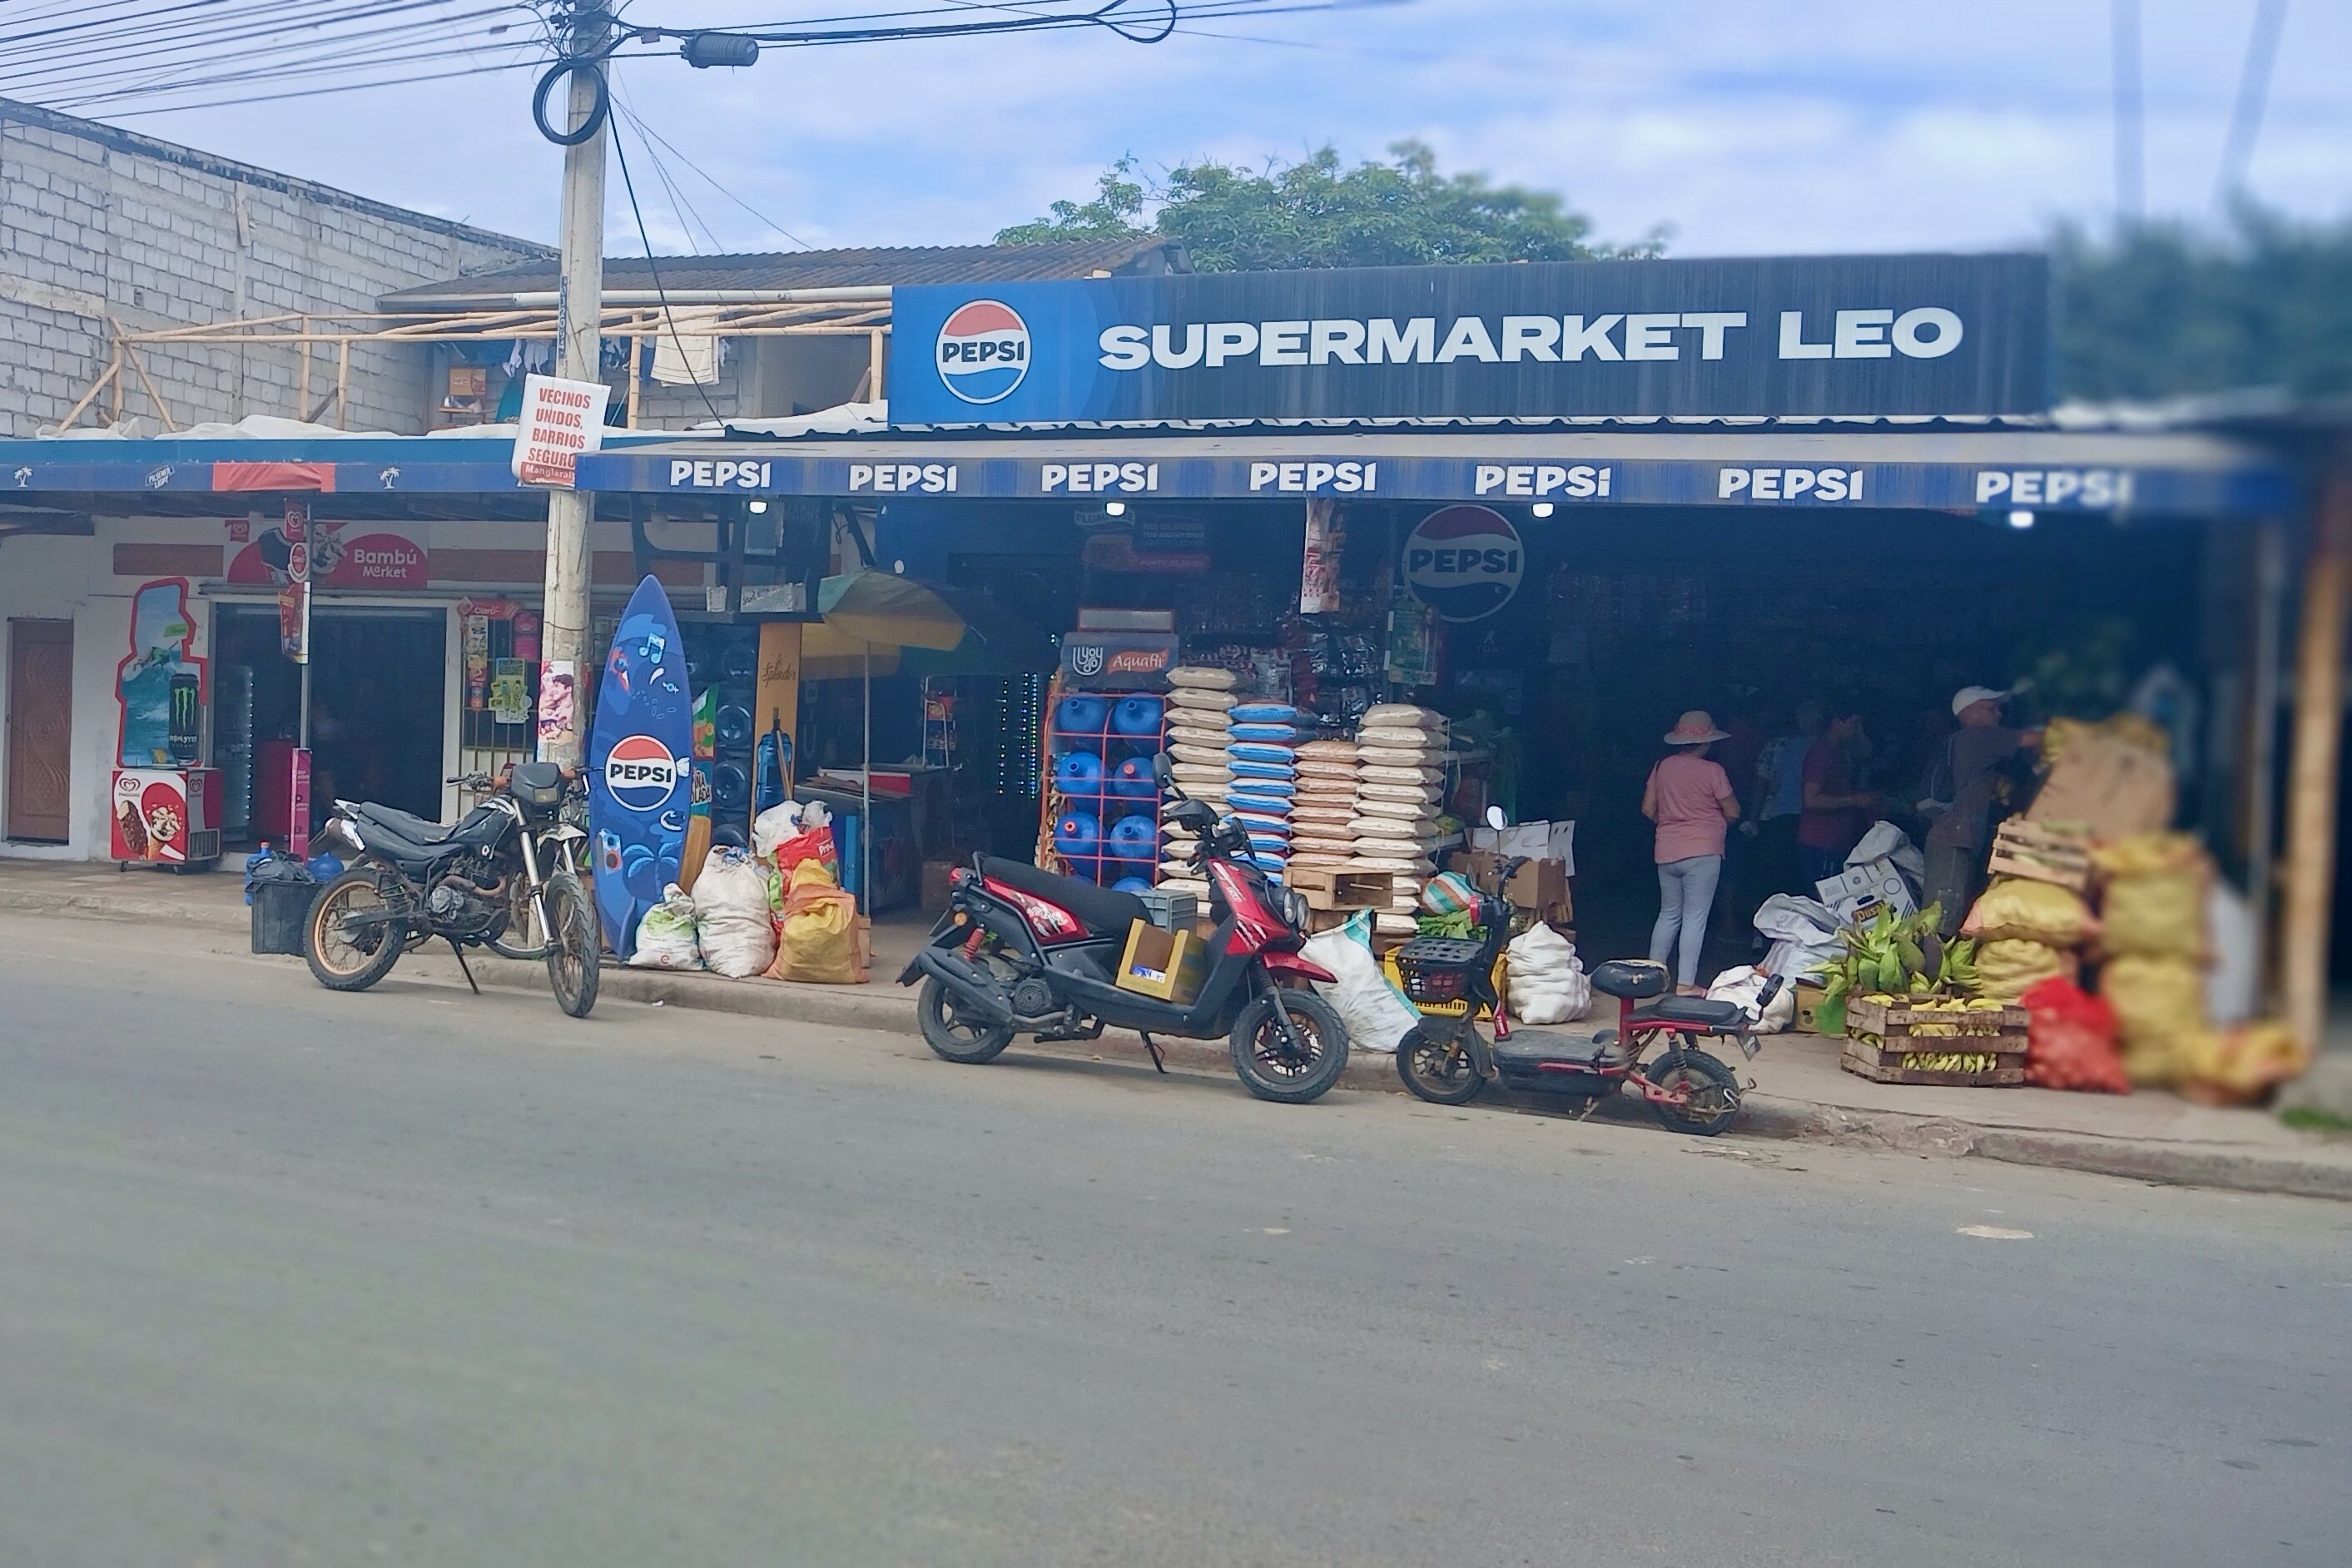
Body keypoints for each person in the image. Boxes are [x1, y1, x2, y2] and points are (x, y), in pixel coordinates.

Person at [1923, 685, 2042, 935]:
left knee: (1950, 914)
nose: (1998, 714)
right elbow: (2036, 739)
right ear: (1970, 712)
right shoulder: (1980, 736)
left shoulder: (1965, 743)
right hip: (1955, 840)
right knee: (1941, 919)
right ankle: (1931, 973)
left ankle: (1938, 969)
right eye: (1991, 708)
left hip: (1957, 837)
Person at [1643, 711, 1740, 995]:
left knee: (1669, 914)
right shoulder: (1713, 771)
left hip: (1667, 849)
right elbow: (1733, 810)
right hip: (1703, 851)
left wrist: (1673, 822)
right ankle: (1685, 984)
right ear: (1708, 742)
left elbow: (1648, 809)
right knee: (1695, 917)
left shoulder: (1662, 767)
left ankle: (1651, 979)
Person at [1797, 705, 1879, 889]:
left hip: (1837, 841)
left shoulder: (1840, 753)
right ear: (1836, 722)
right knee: (1825, 900)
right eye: (1853, 723)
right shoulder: (1821, 753)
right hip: (1821, 841)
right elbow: (1811, 799)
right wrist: (1855, 800)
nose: (1856, 729)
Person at [1750, 699, 1821, 897]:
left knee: (1775, 873)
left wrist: (1753, 820)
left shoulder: (1780, 745)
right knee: (1795, 874)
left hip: (1780, 815)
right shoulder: (1825, 746)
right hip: (1808, 817)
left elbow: (1764, 783)